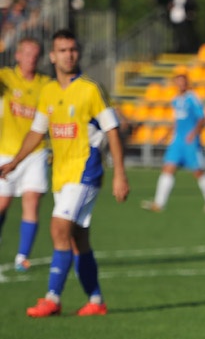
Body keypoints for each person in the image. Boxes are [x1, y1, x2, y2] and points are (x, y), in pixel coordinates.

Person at [0, 29, 130, 317]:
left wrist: (120, 173)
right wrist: (16, 162)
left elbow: (112, 130)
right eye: (62, 50)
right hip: (62, 174)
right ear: (52, 56)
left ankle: (52, 298)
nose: (68, 55)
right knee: (77, 238)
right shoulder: (48, 91)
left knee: (59, 227)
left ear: (78, 52)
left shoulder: (91, 89)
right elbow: (37, 132)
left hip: (86, 170)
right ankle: (96, 301)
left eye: (72, 49)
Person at [0, 37, 51, 271]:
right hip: (6, 151)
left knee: (32, 200)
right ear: (18, 55)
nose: (31, 58)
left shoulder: (46, 84)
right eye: (27, 53)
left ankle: (22, 257)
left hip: (35, 152)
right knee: (3, 203)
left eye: (35, 54)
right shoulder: (6, 78)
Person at [141, 73, 205, 214]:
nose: (180, 84)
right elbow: (176, 121)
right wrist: (166, 135)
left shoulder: (192, 98)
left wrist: (193, 134)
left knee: (198, 171)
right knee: (167, 169)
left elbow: (202, 119)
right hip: (177, 142)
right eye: (178, 82)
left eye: (183, 82)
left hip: (190, 141)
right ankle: (159, 203)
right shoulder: (175, 100)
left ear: (187, 83)